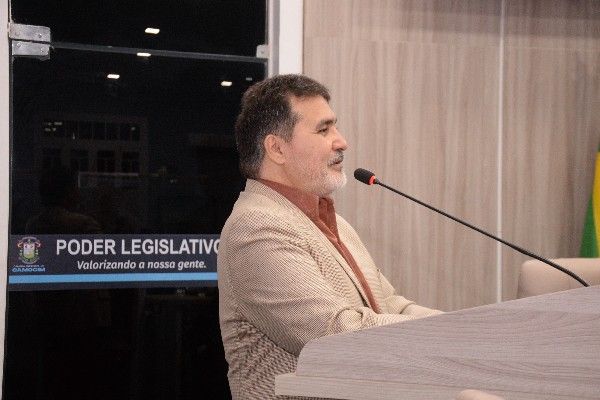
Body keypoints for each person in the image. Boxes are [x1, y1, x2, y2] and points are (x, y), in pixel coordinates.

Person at [218, 74, 443, 400]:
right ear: (277, 148)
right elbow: (337, 334)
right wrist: (447, 336)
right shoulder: (256, 228)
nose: (341, 142)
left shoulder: (332, 221)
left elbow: (390, 305)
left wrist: (471, 328)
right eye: (324, 130)